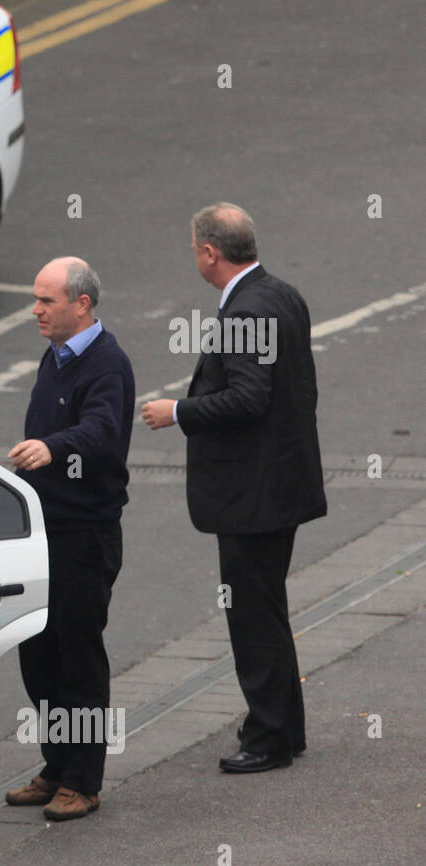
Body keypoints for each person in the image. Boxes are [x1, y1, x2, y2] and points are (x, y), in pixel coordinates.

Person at [141, 203, 325, 773]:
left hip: (252, 496)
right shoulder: (283, 294)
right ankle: (283, 728)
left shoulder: (245, 312)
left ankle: (268, 737)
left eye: (194, 248)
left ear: (209, 252)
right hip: (284, 486)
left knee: (252, 614)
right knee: (268, 608)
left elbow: (249, 398)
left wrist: (179, 410)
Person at [4, 257, 134, 821]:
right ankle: (57, 764)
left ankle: (83, 779)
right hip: (43, 530)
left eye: (46, 301)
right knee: (39, 656)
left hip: (83, 537)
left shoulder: (107, 365)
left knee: (78, 660)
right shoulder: (54, 358)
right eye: (35, 299)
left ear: (81, 304)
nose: (35, 310)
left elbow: (103, 432)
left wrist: (54, 447)